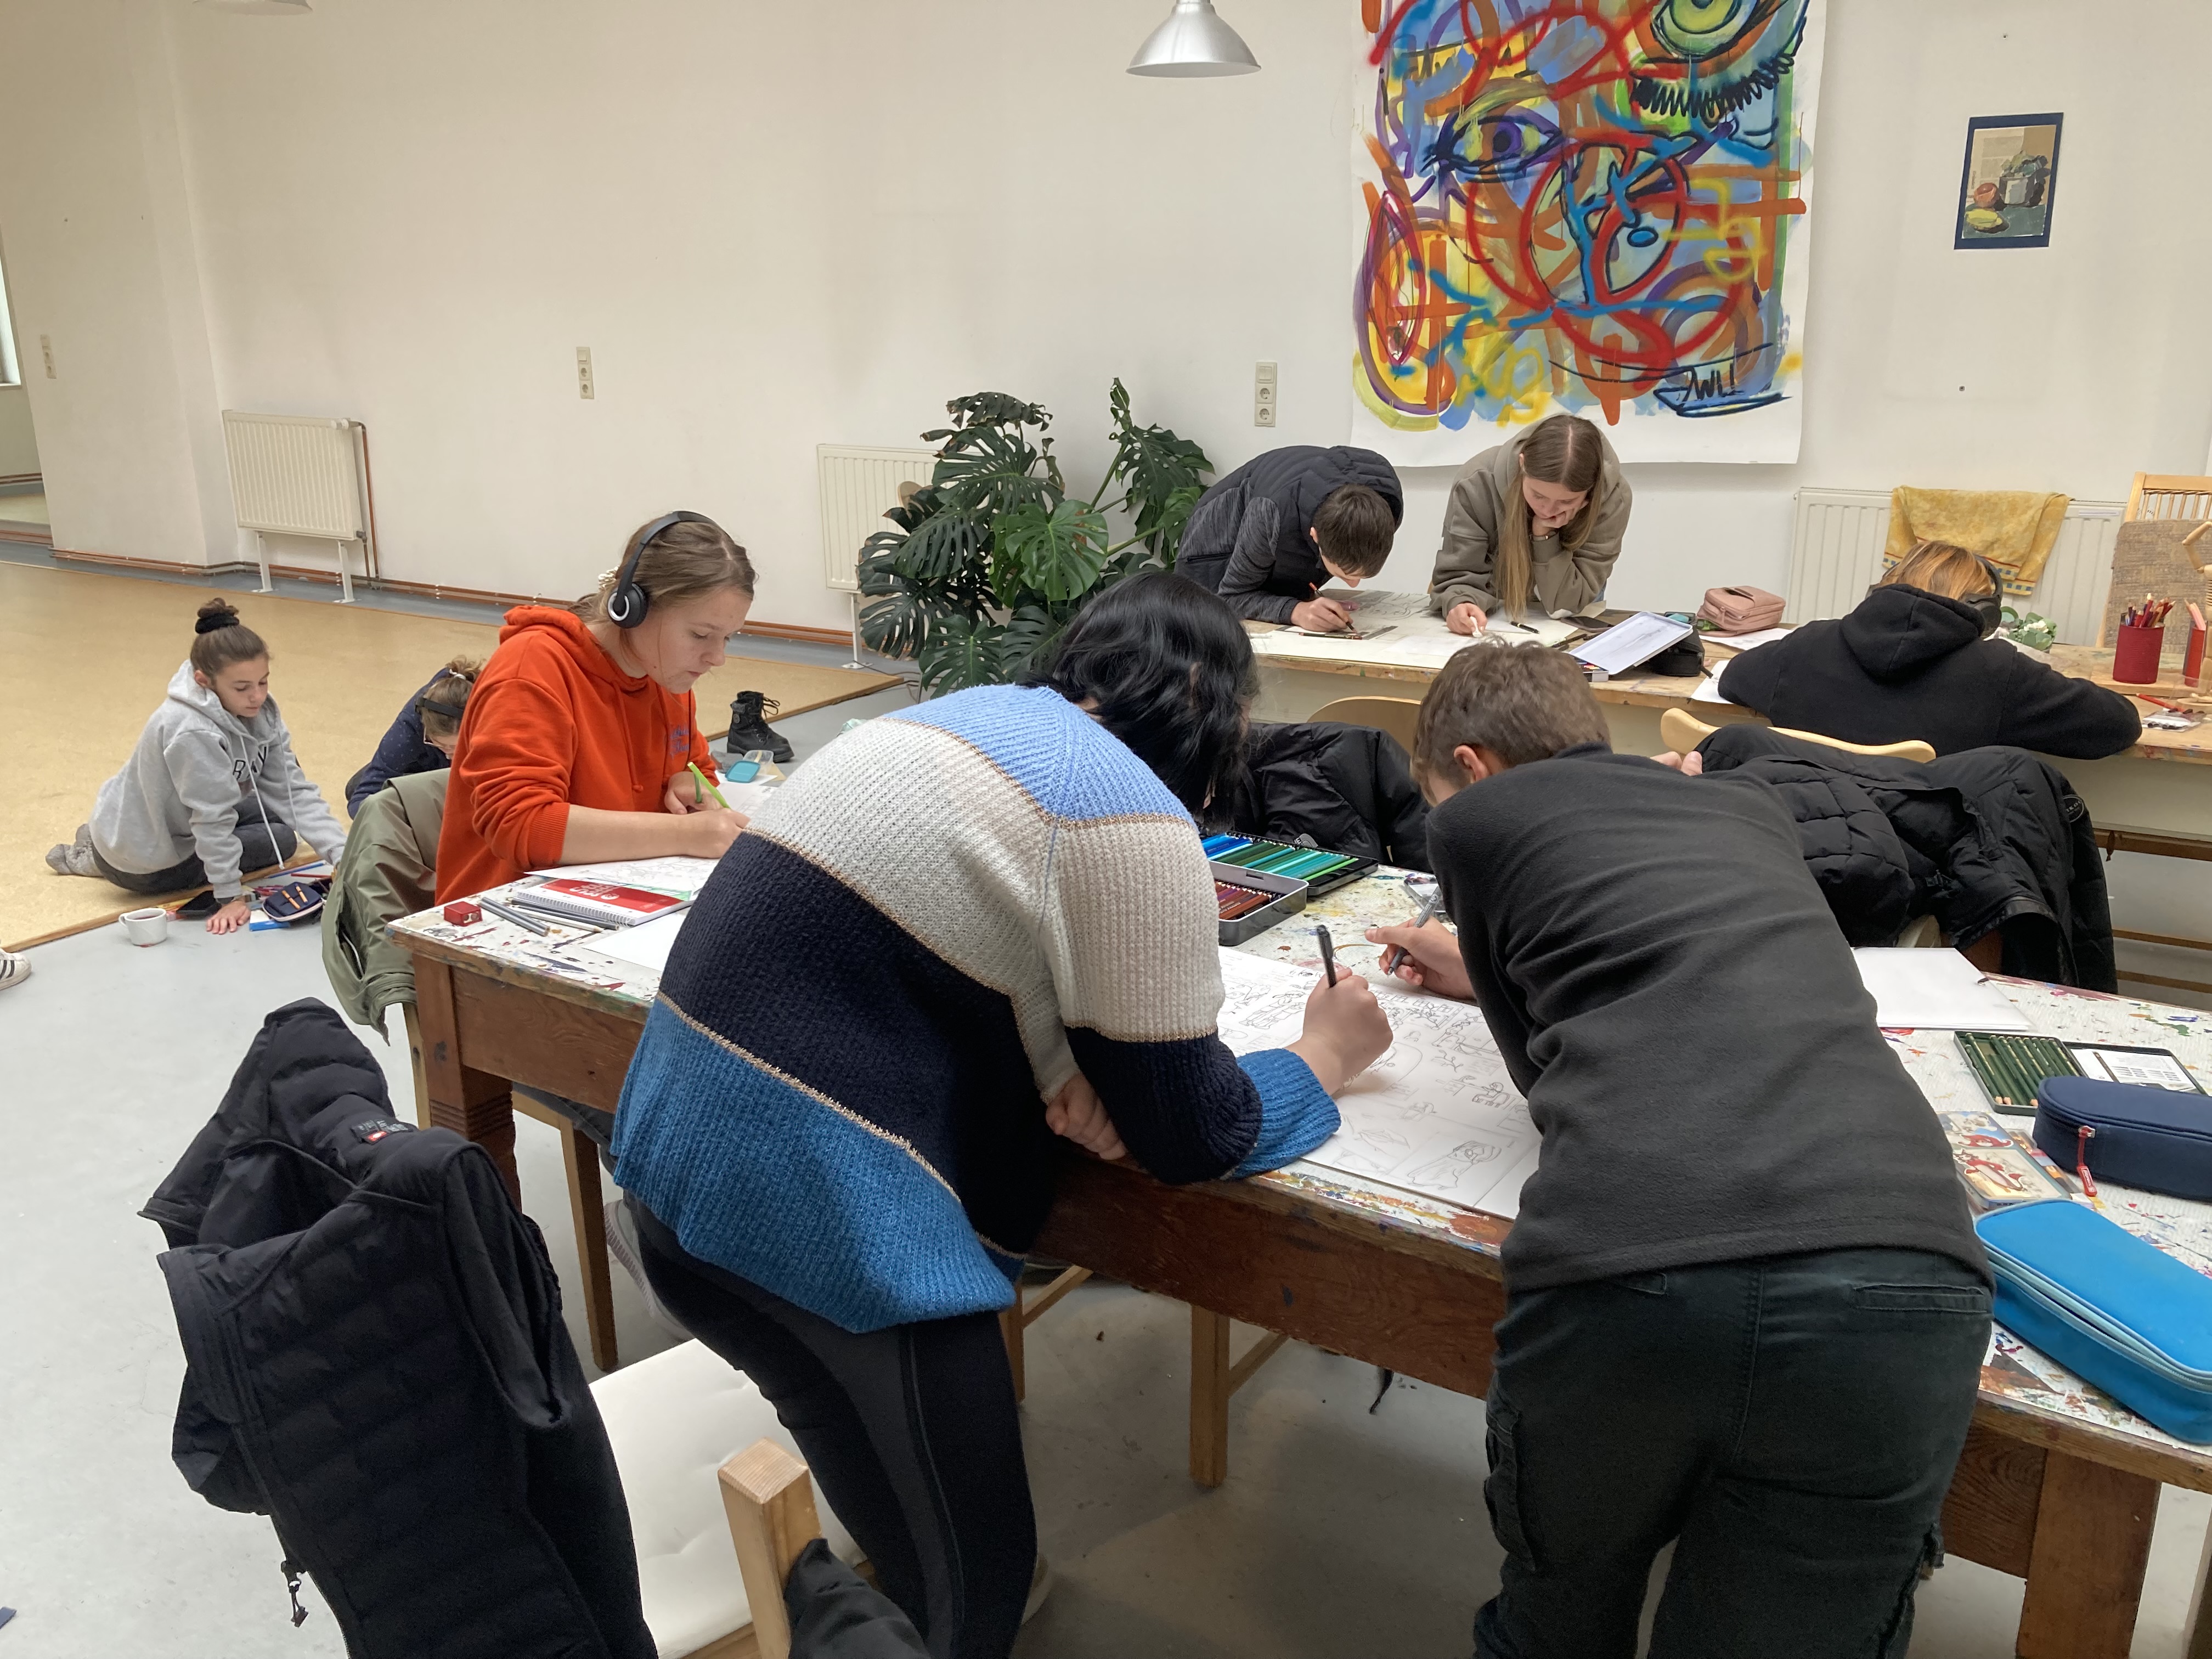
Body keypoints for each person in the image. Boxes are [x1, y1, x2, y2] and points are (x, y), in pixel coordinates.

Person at [611, 572, 1392, 1658]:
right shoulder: (1125, 810)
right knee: (981, 1587)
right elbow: (1195, 1133)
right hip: (824, 1232)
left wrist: (1089, 1070)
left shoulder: (947, 719)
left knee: (872, 1470)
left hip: (670, 1186)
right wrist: (1326, 1054)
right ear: (1217, 711)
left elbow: (957, 950)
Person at [1366, 645, 1989, 1659]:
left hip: (1632, 1261)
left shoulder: (1473, 820)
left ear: (1469, 769)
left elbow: (1535, 1071)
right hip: (1902, 1258)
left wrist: (1487, 959)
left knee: (1558, 1623)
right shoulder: (1748, 806)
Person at [435, 511, 749, 904]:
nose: (717, 657)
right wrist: (686, 834)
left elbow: (696, 766)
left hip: (616, 899)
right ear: (632, 608)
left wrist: (693, 785)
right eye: (701, 635)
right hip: (503, 911)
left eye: (727, 638)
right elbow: (521, 824)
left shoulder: (666, 673)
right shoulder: (533, 669)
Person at [47, 599, 348, 935]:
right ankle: (101, 857)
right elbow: (212, 819)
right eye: (242, 688)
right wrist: (230, 895)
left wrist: (346, 857)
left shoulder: (259, 713)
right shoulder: (191, 730)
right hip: (146, 862)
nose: (257, 697)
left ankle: (103, 835)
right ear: (204, 681)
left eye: (263, 682)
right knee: (280, 839)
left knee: (276, 813)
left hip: (151, 817)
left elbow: (293, 792)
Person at [1718, 539, 2141, 757]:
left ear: (1881, 590)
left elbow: (1732, 679)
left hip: (1795, 851)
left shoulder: (1809, 643)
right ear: (1985, 614)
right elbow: (2118, 725)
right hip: (1923, 868)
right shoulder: (1997, 671)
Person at [1431, 413, 1630, 635]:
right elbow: (1459, 576)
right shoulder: (1476, 483)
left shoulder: (1613, 500)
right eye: (1538, 495)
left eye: (1566, 502)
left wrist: (1544, 536)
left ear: (1591, 491)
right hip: (1495, 620)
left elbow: (1567, 604)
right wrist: (1461, 604)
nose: (1548, 511)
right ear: (1522, 464)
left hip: (1569, 625)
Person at [1177, 444, 1403, 630]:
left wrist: (1307, 603)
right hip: (1212, 553)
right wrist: (1296, 611)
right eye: (1343, 574)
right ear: (1315, 537)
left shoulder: (1387, 507)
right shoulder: (1271, 512)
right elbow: (1231, 597)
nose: (1354, 584)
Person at [345, 657, 481, 816]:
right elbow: (364, 795)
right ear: (425, 729)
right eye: (440, 745)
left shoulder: (493, 721)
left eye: (456, 747)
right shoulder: (408, 728)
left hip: (472, 776)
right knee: (357, 788)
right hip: (425, 769)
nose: (449, 755)